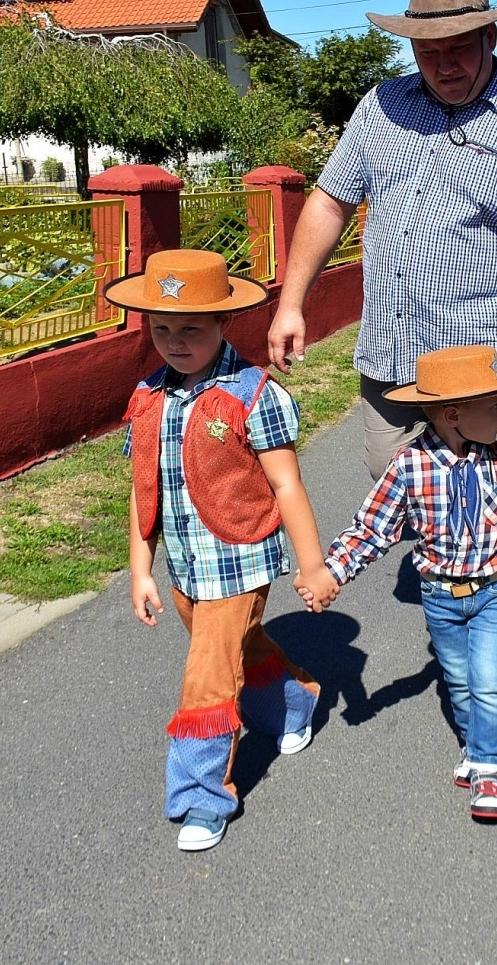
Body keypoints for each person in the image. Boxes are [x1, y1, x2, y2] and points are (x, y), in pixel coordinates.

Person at [266, 0, 497, 480]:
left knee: (471, 505)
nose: (444, 65)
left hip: (481, 367)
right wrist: (291, 304)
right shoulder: (381, 107)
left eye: (458, 48)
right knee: (393, 489)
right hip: (391, 351)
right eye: (428, 51)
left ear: (490, 38)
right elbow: (330, 202)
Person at [107, 249, 340, 851]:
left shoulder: (253, 394)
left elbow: (286, 483)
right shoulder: (147, 398)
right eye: (162, 329)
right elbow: (143, 491)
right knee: (242, 649)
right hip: (187, 568)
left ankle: (202, 800)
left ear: (222, 324)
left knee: (207, 680)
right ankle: (294, 705)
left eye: (190, 328)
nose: (175, 341)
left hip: (239, 563)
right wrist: (140, 569)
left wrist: (313, 565)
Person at [310, 345, 497, 823]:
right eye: (493, 405)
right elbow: (372, 528)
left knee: (492, 681)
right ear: (454, 414)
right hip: (440, 596)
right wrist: (332, 571)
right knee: (457, 679)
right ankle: (475, 745)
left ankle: (487, 769)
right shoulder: (408, 468)